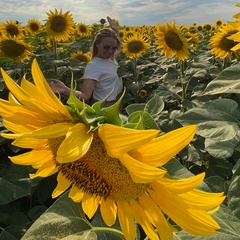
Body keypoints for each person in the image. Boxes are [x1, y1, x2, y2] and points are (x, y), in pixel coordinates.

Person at [49, 16, 123, 108]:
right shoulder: (94, 66)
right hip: (104, 107)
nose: (110, 51)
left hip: (117, 105)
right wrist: (64, 89)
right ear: (97, 44)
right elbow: (85, 96)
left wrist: (116, 31)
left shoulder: (110, 59)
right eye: (106, 47)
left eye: (113, 48)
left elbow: (114, 45)